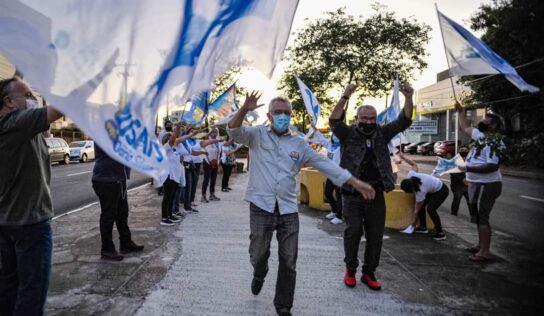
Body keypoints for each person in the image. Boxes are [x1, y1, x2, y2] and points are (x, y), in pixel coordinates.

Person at [228, 91, 375, 316]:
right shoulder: (256, 135)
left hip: (288, 209)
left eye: (287, 113)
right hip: (260, 206)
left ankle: (283, 305)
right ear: (269, 115)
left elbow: (326, 165)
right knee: (259, 253)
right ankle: (259, 273)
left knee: (289, 260)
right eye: (278, 112)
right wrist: (244, 109)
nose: (283, 116)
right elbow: (233, 130)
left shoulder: (299, 143)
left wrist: (354, 181)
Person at [329, 82, 414, 291]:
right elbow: (333, 119)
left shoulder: (382, 133)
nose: (368, 122)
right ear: (357, 119)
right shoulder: (347, 133)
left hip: (376, 195)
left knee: (375, 236)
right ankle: (350, 270)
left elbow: (404, 120)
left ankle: (369, 273)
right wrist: (345, 95)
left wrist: (409, 98)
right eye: (364, 118)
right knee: (353, 231)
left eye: (371, 118)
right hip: (352, 194)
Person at [0, 77, 64, 315]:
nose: (34, 99)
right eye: (27, 95)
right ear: (9, 101)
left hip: (7, 223)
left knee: (9, 288)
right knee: (31, 294)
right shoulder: (16, 123)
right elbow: (66, 104)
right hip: (30, 224)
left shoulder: (13, 128)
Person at [455, 101, 504, 262]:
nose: (482, 121)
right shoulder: (479, 135)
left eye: (487, 120)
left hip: (488, 185)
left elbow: (492, 166)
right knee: (476, 215)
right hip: (475, 183)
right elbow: (465, 127)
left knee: (483, 216)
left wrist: (467, 169)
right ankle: (480, 245)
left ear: (494, 126)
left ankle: (485, 251)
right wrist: (461, 111)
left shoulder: (495, 142)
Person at [92, 145, 145, 261]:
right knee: (108, 215)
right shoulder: (104, 132)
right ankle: (107, 250)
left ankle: (125, 243)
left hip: (118, 179)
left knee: (122, 212)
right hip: (107, 179)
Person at [398, 153, 449, 241]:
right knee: (422, 206)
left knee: (431, 208)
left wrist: (413, 224)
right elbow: (414, 164)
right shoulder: (411, 175)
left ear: (412, 188)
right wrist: (403, 158)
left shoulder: (421, 190)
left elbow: (416, 210)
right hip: (432, 189)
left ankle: (441, 233)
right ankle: (423, 228)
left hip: (442, 190)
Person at [308, 124, 343, 224]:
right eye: (334, 135)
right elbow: (321, 138)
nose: (335, 137)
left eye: (337, 135)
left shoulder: (343, 146)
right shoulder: (330, 144)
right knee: (327, 193)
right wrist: (315, 129)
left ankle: (339, 217)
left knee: (339, 195)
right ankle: (334, 210)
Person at [160, 125, 193, 226]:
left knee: (172, 197)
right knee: (167, 197)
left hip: (175, 176)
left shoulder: (174, 149)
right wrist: (177, 128)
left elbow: (179, 139)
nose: (174, 138)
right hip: (168, 176)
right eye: (171, 137)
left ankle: (170, 215)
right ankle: (164, 218)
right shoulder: (166, 147)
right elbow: (174, 139)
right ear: (167, 139)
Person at [201, 128, 223, 202]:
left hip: (215, 162)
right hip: (207, 161)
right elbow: (204, 139)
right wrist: (210, 129)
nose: (214, 133)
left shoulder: (218, 142)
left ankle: (212, 194)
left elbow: (219, 152)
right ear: (210, 133)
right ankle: (203, 196)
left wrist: (219, 162)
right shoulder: (207, 139)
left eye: (216, 132)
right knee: (206, 179)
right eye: (213, 132)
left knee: (213, 179)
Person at [450, 147, 470, 216]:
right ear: (459, 151)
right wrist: (462, 179)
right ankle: (453, 214)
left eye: (465, 150)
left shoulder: (469, 160)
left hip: (468, 185)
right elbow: (453, 172)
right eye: (462, 150)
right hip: (457, 185)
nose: (464, 151)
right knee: (457, 200)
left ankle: (474, 217)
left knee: (471, 201)